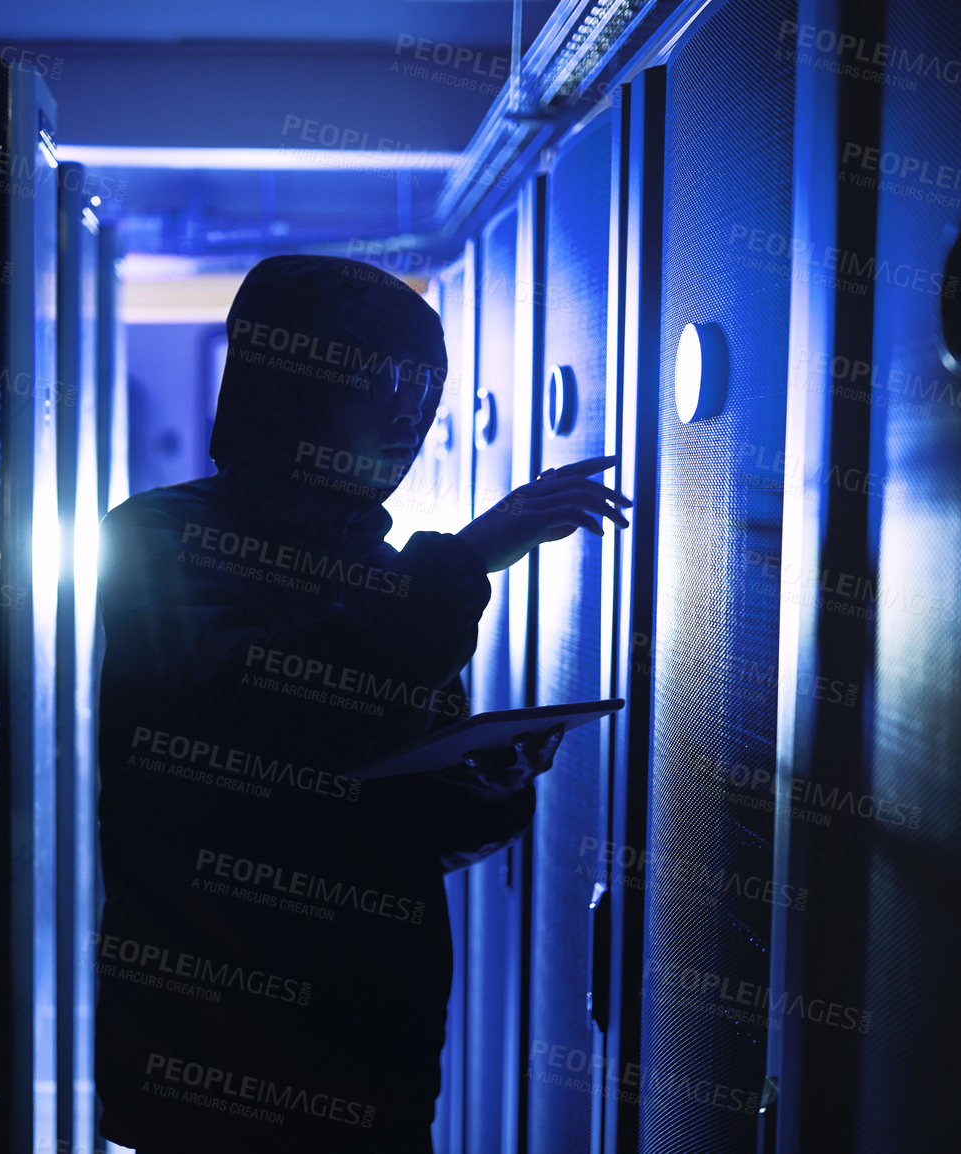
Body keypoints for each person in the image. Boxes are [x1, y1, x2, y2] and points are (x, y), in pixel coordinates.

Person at [93, 254, 631, 1153]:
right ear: (293, 382)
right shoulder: (159, 537)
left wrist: (484, 782)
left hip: (375, 1064)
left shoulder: (388, 574)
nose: (410, 414)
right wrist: (463, 560)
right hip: (211, 1065)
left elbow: (405, 831)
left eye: (429, 385)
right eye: (385, 378)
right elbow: (254, 708)